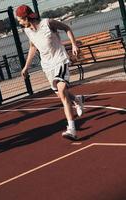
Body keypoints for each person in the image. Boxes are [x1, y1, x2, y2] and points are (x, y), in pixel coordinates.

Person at [15, 5, 84, 140]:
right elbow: (33, 47)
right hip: (47, 66)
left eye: (20, 19)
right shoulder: (27, 31)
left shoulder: (47, 23)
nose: (19, 22)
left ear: (26, 17)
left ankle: (72, 130)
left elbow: (66, 28)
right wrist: (26, 67)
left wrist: (74, 44)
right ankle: (77, 100)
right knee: (61, 95)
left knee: (63, 93)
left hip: (60, 60)